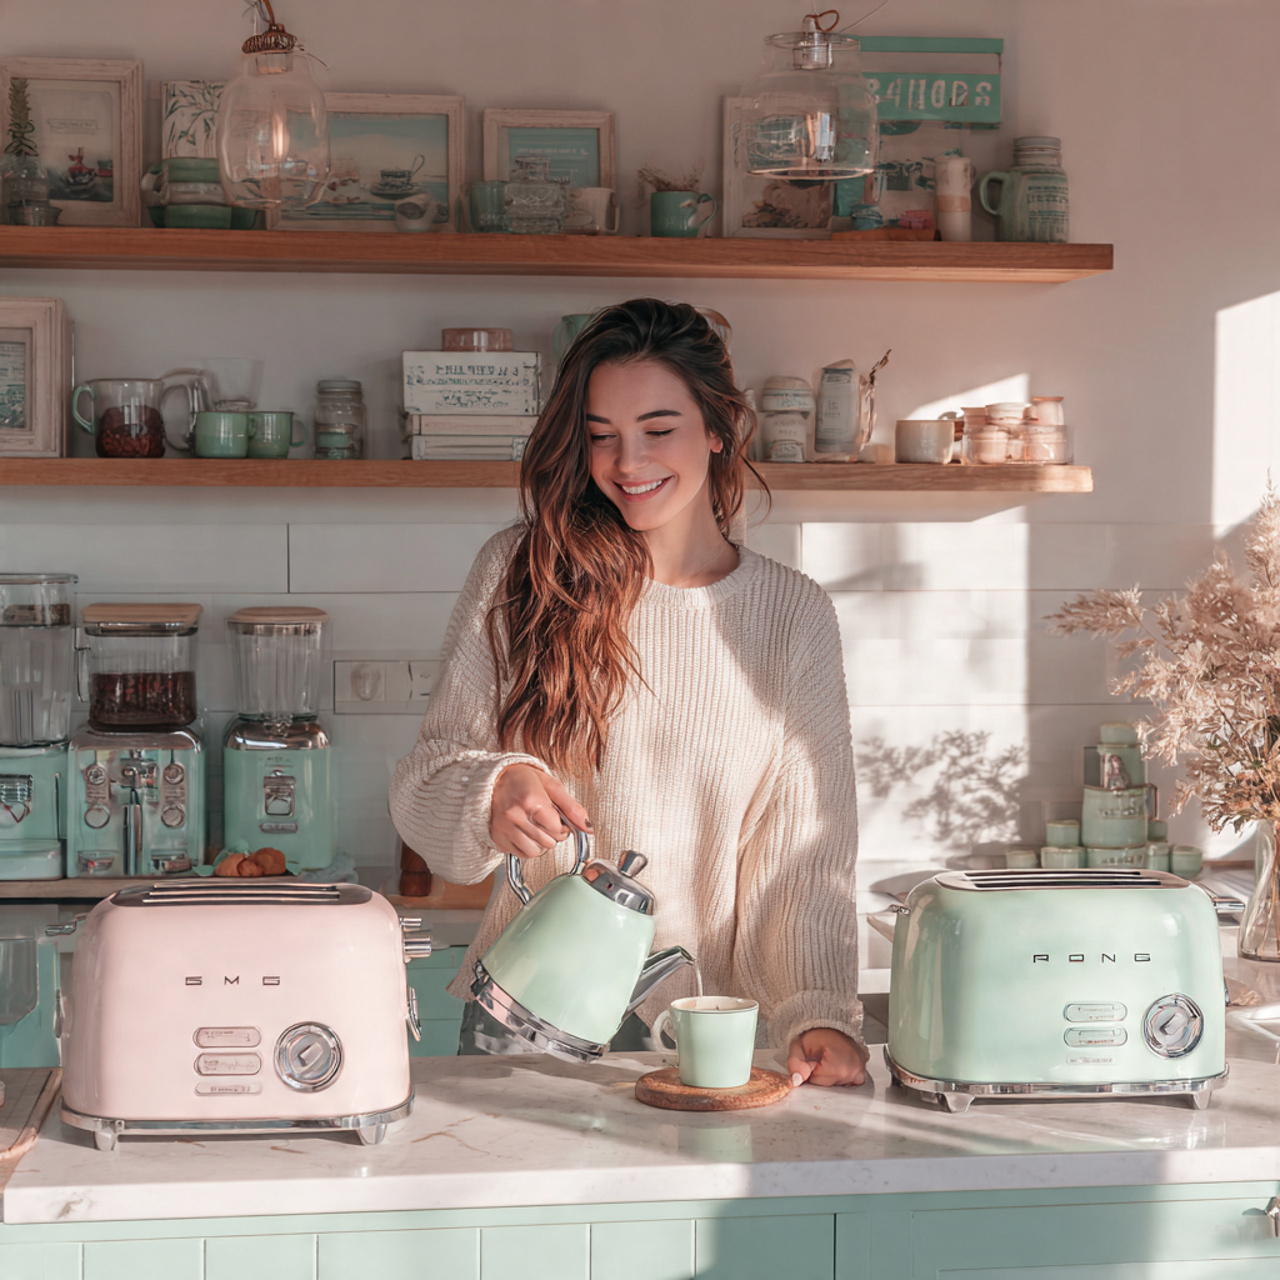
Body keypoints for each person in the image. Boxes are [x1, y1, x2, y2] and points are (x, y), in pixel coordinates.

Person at [390, 298, 866, 1086]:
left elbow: (808, 850)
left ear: (718, 428)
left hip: (711, 1039)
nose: (627, 463)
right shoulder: (524, 573)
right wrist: (493, 787)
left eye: (657, 428)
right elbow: (424, 781)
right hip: (525, 1022)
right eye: (601, 436)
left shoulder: (792, 616)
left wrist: (815, 1011)